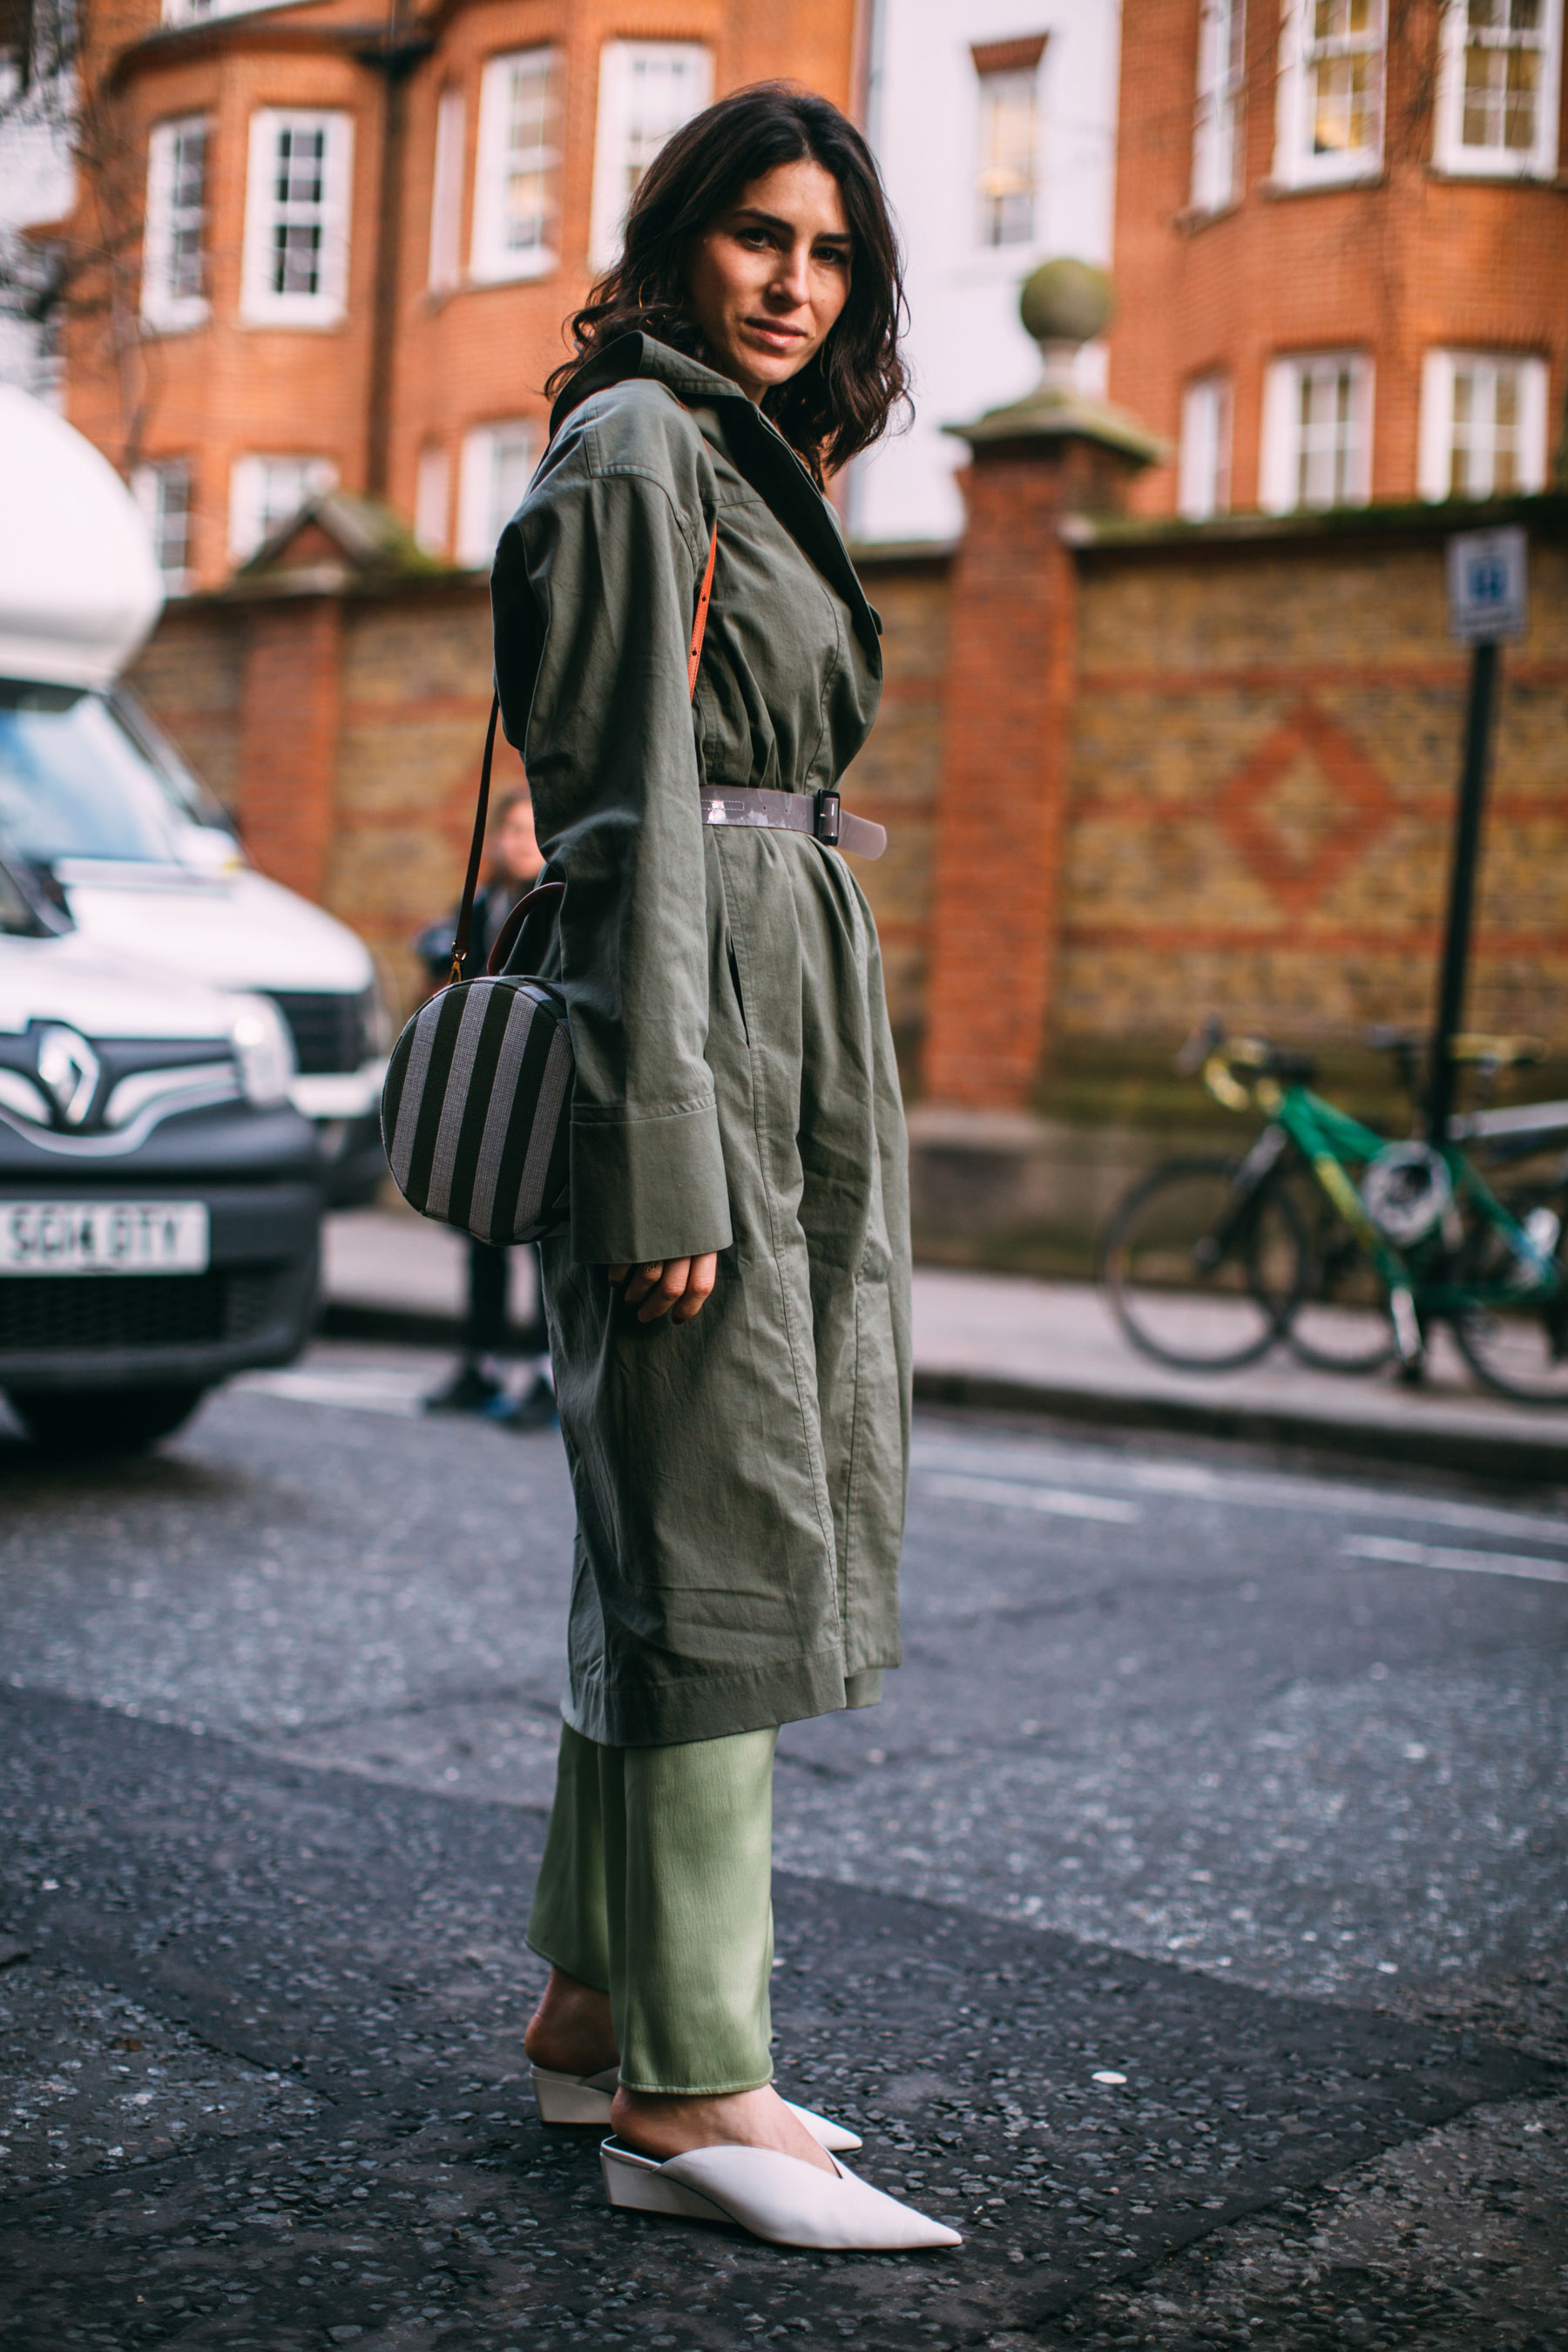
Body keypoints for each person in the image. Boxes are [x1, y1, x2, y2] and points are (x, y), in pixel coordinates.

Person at [490, 83, 957, 2252]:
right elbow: (620, 824)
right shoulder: (638, 453)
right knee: (720, 1526)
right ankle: (691, 2088)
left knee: (676, 1508)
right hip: (688, 1026)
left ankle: (596, 1996)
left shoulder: (742, 456)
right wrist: (666, 1149)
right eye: (757, 236)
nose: (792, 281)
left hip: (782, 1005)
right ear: (683, 239)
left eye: (831, 250)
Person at [415, 790, 554, 1427]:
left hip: (544, 1093)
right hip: (484, 1092)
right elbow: (437, 960)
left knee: (543, 1244)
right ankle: (482, 1365)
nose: (521, 840)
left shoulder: (558, 901)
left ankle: (549, 1378)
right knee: (481, 1235)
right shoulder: (480, 904)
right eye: (513, 829)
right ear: (496, 837)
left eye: (534, 829)